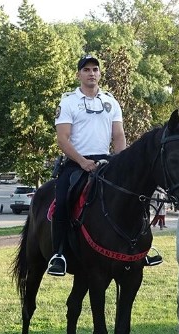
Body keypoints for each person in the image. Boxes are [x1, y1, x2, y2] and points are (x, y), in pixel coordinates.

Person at [46, 54, 128, 276]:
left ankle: (137, 247)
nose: (91, 73)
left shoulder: (111, 102)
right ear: (78, 74)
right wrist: (82, 161)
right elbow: (62, 138)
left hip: (106, 162)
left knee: (131, 195)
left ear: (100, 74)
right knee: (62, 201)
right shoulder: (68, 102)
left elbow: (119, 135)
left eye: (95, 69)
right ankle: (59, 254)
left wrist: (121, 163)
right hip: (76, 163)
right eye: (86, 70)